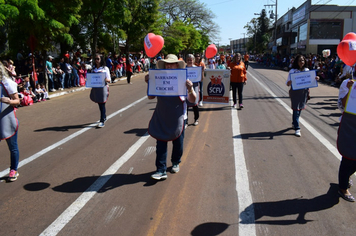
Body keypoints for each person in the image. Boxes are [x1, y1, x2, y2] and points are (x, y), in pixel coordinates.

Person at [145, 54, 196, 180]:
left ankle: (175, 162)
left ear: (177, 65)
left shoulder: (184, 79)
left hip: (178, 117)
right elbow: (151, 97)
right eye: (167, 63)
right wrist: (149, 83)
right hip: (162, 115)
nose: (169, 65)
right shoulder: (158, 78)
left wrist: (190, 89)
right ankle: (161, 170)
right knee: (161, 142)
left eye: (171, 63)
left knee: (178, 142)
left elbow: (193, 100)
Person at [286, 54, 319, 137]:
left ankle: (294, 123)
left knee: (299, 108)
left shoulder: (307, 70)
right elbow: (287, 83)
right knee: (295, 109)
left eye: (303, 60)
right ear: (297, 62)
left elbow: (311, 80)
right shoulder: (292, 71)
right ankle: (297, 128)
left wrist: (316, 78)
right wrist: (289, 82)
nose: (301, 62)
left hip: (304, 92)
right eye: (300, 60)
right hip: (295, 92)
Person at [0, 62, 21, 181]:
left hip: (7, 119)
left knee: (12, 146)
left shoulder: (7, 83)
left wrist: (8, 101)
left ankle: (14, 170)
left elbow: (17, 101)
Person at [337, 79, 356, 202]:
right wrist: (350, 90)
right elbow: (342, 105)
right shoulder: (348, 82)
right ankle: (343, 188)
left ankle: (346, 176)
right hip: (350, 124)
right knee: (348, 157)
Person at [90, 54, 111, 128]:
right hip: (96, 89)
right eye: (95, 59)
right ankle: (104, 116)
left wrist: (104, 79)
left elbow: (109, 79)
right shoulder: (93, 68)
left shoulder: (105, 68)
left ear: (101, 59)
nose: (96, 60)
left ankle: (102, 120)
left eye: (98, 59)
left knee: (102, 104)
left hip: (103, 88)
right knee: (99, 103)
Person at [185, 54, 200, 126]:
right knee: (186, 105)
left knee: (195, 105)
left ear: (193, 60)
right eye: (188, 60)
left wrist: (202, 72)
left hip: (195, 87)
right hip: (186, 88)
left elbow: (200, 79)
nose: (189, 61)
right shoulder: (183, 68)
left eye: (191, 60)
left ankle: (196, 119)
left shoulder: (197, 68)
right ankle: (186, 121)